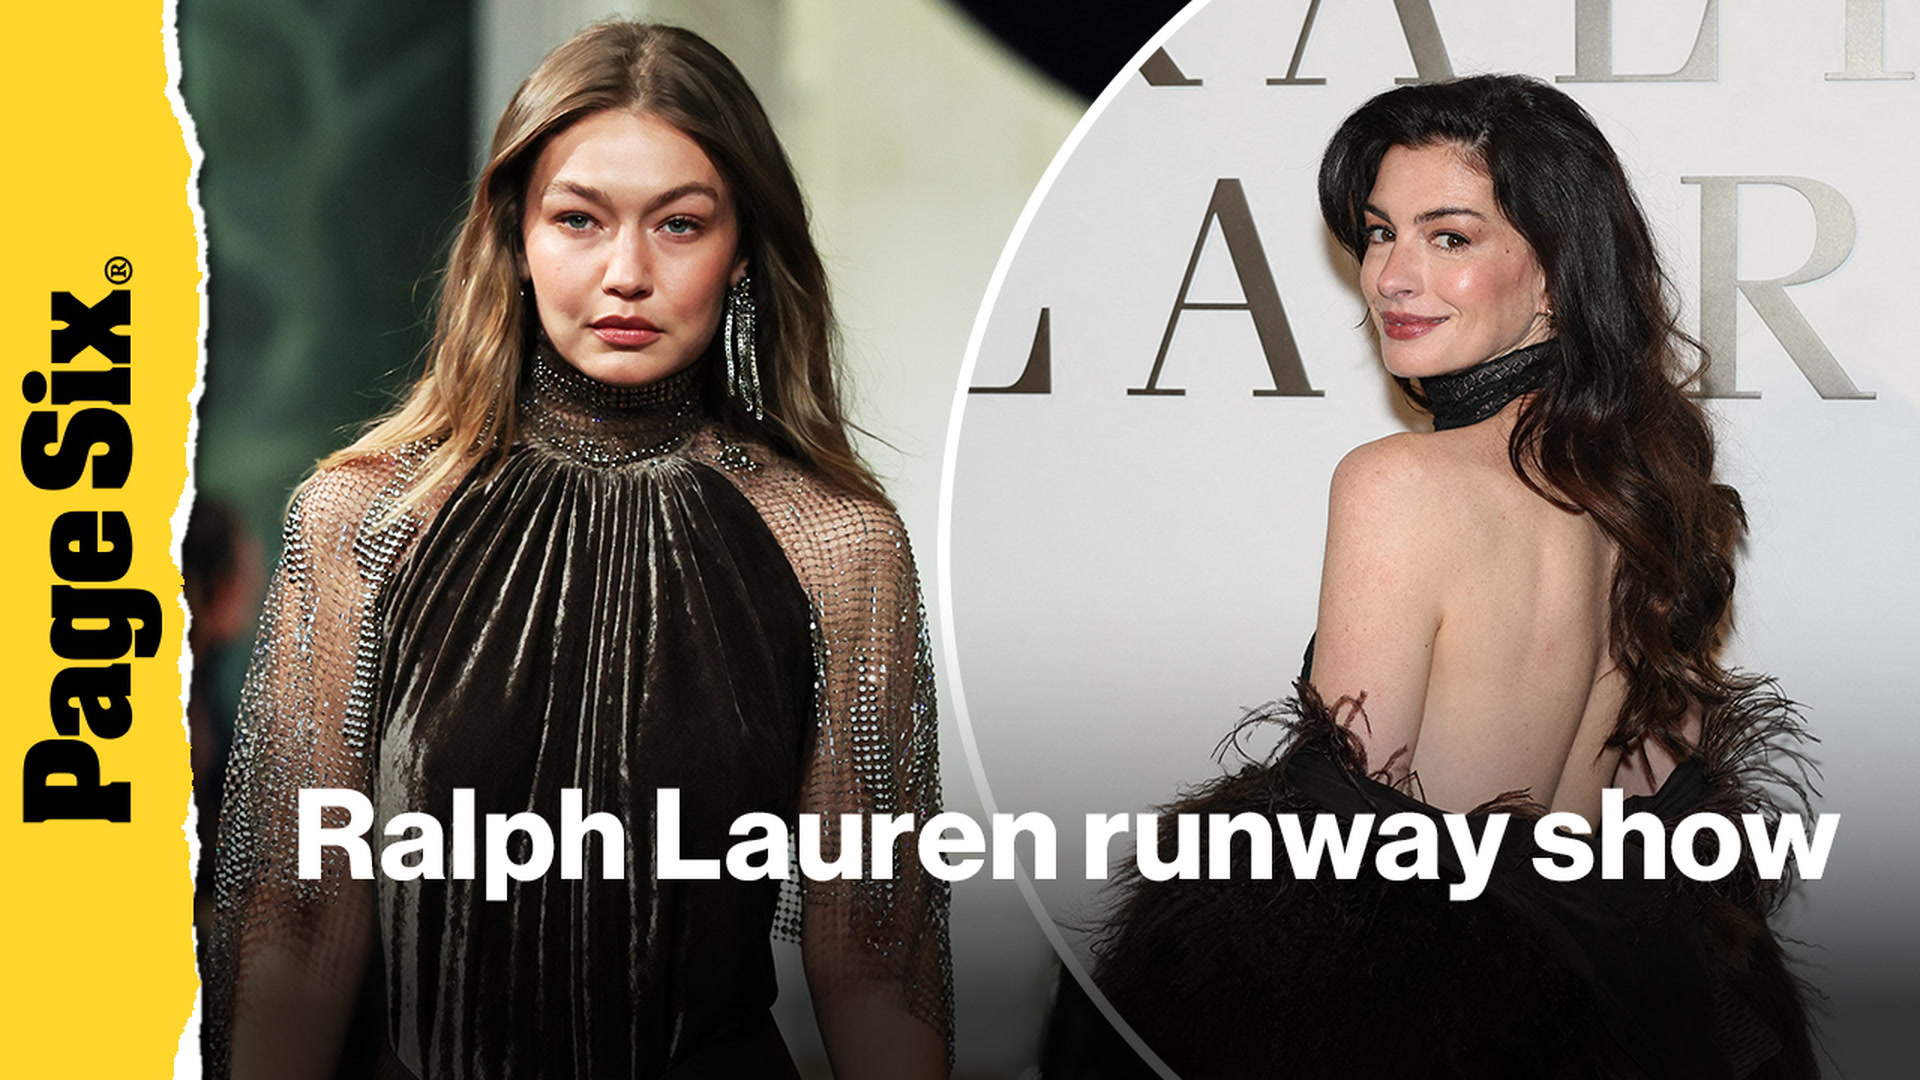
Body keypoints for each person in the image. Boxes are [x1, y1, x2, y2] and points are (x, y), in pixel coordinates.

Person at [201, 21, 949, 1080]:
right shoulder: (364, 519)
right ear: (514, 237)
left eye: (680, 224)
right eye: (579, 220)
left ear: (742, 251)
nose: (626, 273)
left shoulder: (836, 545)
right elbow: (298, 925)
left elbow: (876, 961)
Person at [1044, 75, 1817, 1078]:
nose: (1392, 277)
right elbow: (1661, 808)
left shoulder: (1396, 481)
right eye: (1379, 233)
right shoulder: (1653, 496)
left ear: (1556, 276)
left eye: (1449, 237)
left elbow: (1345, 818)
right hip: (1618, 1022)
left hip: (1415, 1023)